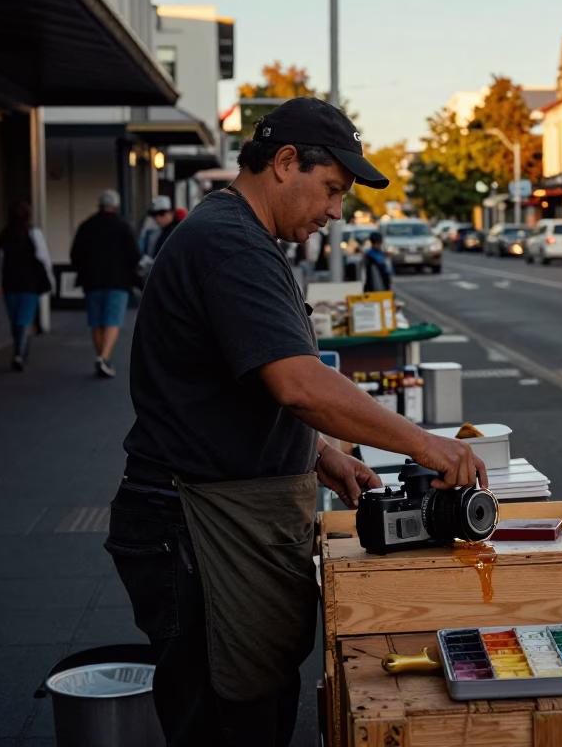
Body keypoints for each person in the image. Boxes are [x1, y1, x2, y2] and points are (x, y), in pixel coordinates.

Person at [108, 97, 487, 746]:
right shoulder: (230, 245)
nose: (336, 211)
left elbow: (240, 383)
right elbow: (298, 383)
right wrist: (427, 446)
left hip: (228, 517)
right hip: (196, 525)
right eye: (332, 189)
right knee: (225, 718)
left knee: (257, 694)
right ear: (286, 162)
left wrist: (321, 454)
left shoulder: (237, 236)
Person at [70, 190, 140, 378]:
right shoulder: (123, 226)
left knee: (96, 322)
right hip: (118, 281)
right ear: (116, 206)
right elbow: (134, 255)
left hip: (91, 281)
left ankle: (102, 357)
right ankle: (104, 357)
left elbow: (75, 254)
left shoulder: (86, 226)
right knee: (113, 321)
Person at [0, 201, 54, 371]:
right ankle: (19, 353)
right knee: (25, 318)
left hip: (10, 282)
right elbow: (43, 258)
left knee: (15, 319)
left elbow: (0, 261)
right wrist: (50, 278)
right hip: (30, 282)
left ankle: (19, 350)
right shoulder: (33, 233)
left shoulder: (4, 234)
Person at [138, 195, 180, 280]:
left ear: (170, 213)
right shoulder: (162, 231)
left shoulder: (174, 231)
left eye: (161, 214)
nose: (158, 218)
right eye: (155, 215)